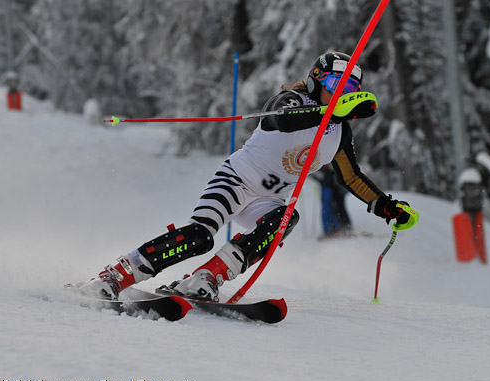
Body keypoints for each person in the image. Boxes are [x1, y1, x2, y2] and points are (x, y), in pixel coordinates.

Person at [81, 51, 416, 302]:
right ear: (316, 81)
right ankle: (117, 275)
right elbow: (283, 121)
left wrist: (386, 207)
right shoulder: (291, 100)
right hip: (235, 181)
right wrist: (328, 111)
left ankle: (206, 279)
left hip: (267, 200)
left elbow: (351, 177)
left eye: (350, 88)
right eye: (335, 85)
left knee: (286, 217)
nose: (341, 93)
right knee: (200, 236)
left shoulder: (339, 132)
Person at [312, 164, 353, 238]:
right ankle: (331, 231)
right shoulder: (323, 173)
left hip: (335, 196)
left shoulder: (332, 172)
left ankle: (343, 228)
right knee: (328, 213)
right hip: (329, 197)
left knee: (337, 211)